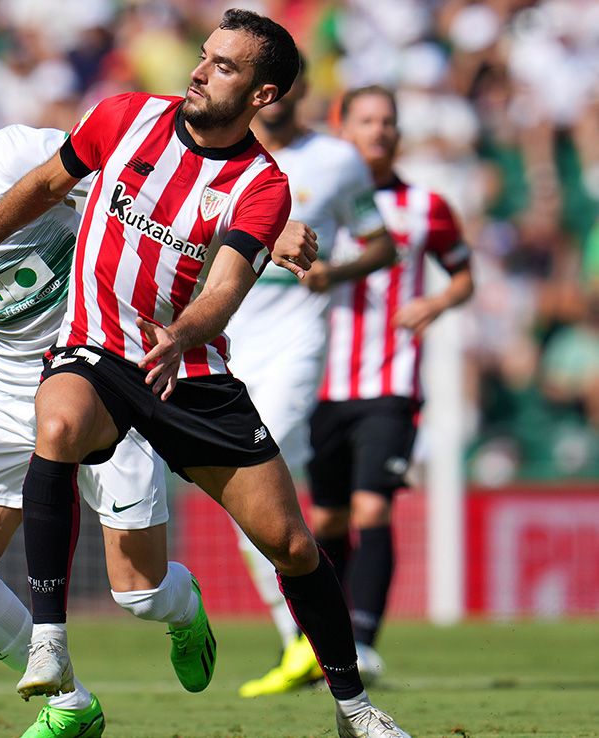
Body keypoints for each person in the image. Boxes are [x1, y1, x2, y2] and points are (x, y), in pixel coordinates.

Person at [0, 10, 410, 738]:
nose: (201, 71)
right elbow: (45, 187)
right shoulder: (123, 117)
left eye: (226, 66)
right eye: (204, 56)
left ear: (263, 94)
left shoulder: (263, 185)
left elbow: (226, 289)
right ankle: (48, 643)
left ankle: (355, 709)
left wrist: (181, 336)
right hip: (95, 348)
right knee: (58, 422)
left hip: (187, 368)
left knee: (293, 546)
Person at [0, 33, 284, 738]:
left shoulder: (20, 154)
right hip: (18, 399)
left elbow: (152, 184)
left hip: (109, 374)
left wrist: (264, 229)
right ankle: (71, 703)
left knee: (138, 595)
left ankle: (184, 607)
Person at [228, 60, 398, 698]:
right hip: (228, 337)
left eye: (282, 86)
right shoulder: (218, 157)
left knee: (248, 471)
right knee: (258, 499)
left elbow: (380, 243)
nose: (272, 98)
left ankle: (301, 639)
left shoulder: (336, 160)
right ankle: (304, 641)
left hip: (299, 336)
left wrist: (335, 272)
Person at [306, 84, 475, 684]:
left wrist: (435, 304)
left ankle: (365, 640)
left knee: (372, 507)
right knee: (325, 522)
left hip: (391, 383)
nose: (379, 131)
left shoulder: (427, 206)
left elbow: (463, 275)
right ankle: (322, 642)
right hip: (319, 386)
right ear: (342, 129)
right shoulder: (315, 197)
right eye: (367, 121)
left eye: (388, 122)